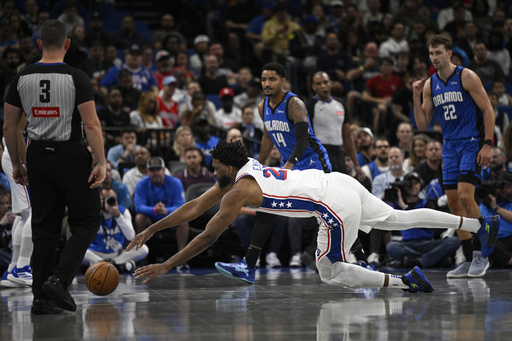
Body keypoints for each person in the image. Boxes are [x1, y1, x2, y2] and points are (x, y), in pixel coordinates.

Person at [127, 140, 500, 290]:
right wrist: (151, 231)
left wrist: (166, 266)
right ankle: (477, 224)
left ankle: (406, 283)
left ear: (227, 166)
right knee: (396, 219)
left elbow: (207, 234)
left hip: (331, 205)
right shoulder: (246, 169)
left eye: (214, 168)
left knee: (330, 271)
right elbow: (193, 207)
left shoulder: (238, 190)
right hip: (338, 182)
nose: (212, 173)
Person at [3, 20, 106, 314]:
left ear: (38, 44)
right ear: (67, 43)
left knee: (44, 228)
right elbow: (91, 123)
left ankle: (41, 299)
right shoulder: (77, 77)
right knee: (86, 221)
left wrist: (19, 162)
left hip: (38, 157)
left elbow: (10, 127)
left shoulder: (20, 77)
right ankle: (58, 280)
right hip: (71, 154)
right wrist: (100, 161)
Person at [412, 34, 495, 278]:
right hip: (449, 146)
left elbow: (488, 109)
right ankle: (468, 258)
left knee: (466, 196)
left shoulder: (466, 76)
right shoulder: (429, 84)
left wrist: (487, 144)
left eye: (438, 52)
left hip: (471, 142)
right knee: (454, 204)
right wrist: (416, 96)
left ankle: (482, 254)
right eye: (431, 53)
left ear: (449, 53)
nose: (434, 57)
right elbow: (422, 123)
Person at [307, 71, 364, 176]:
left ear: (331, 83)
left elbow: (347, 136)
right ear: (314, 87)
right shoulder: (310, 106)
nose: (323, 86)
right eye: (318, 84)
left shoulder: (341, 104)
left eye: (325, 82)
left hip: (339, 152)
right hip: (320, 153)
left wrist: (356, 164)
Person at [83, 186, 148, 273]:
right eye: (106, 199)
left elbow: (130, 236)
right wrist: (96, 209)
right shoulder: (92, 211)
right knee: (78, 251)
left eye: (112, 199)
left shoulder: (123, 212)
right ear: (99, 199)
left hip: (117, 254)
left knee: (143, 249)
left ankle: (101, 265)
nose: (109, 201)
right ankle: (120, 266)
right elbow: (84, 236)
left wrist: (117, 216)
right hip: (95, 253)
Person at [0, 116, 33, 288]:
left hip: (13, 156)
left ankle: (12, 268)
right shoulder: (30, 103)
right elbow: (15, 130)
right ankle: (22, 267)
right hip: (19, 158)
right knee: (33, 213)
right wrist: (25, 164)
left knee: (22, 214)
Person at [133, 156, 188, 259]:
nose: (156, 172)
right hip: (151, 218)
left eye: (158, 169)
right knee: (139, 218)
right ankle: (142, 256)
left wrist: (166, 211)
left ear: (164, 170)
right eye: (152, 170)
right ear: (147, 171)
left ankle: (182, 257)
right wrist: (154, 210)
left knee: (183, 220)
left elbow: (181, 206)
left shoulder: (175, 182)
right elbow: (138, 207)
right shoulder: (141, 184)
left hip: (171, 218)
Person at [479, 171, 512, 268]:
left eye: (508, 187)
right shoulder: (485, 204)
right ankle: (508, 260)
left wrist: (496, 208)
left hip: (510, 239)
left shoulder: (508, 203)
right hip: (495, 241)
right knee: (485, 241)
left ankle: (500, 260)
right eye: (502, 187)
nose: (504, 191)